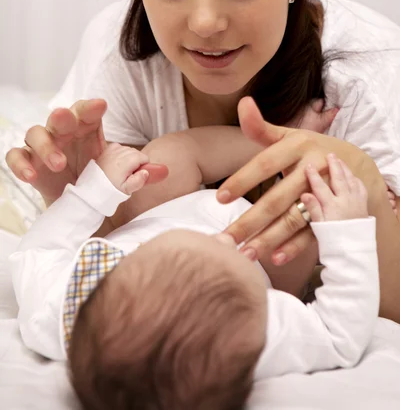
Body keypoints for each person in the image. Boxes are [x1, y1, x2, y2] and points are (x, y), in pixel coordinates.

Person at [5, 0, 400, 321]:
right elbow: (106, 270)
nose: (206, 23)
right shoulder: (121, 54)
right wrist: (69, 204)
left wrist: (362, 176)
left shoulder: (366, 77)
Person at [10, 135, 379, 410]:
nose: (223, 241)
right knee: (304, 214)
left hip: (166, 206)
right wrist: (347, 231)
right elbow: (339, 335)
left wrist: (94, 192)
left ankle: (281, 142)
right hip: (262, 245)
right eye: (229, 258)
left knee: (166, 156)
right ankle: (305, 156)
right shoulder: (249, 341)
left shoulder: (64, 311)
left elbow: (38, 251)